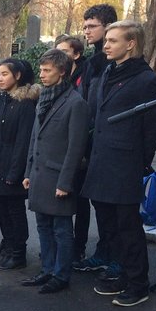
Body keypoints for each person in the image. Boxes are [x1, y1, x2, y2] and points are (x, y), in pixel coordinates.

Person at [80, 20, 156, 307]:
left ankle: (138, 283)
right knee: (109, 225)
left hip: (125, 163)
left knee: (128, 226)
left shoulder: (147, 80)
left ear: (131, 44)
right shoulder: (106, 73)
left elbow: (151, 129)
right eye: (107, 40)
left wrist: (139, 164)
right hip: (101, 160)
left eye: (113, 40)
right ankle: (124, 274)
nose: (106, 45)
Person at [21, 49, 89, 293]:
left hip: (58, 177)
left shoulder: (75, 103)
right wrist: (28, 171)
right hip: (40, 176)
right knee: (43, 226)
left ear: (62, 71)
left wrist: (65, 182)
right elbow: (34, 138)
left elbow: (76, 147)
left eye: (47, 70)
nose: (42, 74)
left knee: (61, 229)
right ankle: (47, 269)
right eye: (41, 69)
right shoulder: (43, 98)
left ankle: (61, 275)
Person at [73, 3, 121, 273]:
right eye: (85, 25)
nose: (86, 30)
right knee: (98, 202)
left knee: (112, 205)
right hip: (91, 140)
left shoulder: (114, 64)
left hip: (110, 145)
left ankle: (115, 255)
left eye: (92, 26)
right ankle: (103, 250)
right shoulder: (92, 63)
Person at [0, 58, 38, 270]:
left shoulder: (24, 104)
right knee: (1, 208)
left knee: (14, 209)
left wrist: (15, 172)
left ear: (17, 76)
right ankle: (9, 247)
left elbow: (23, 142)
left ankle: (18, 252)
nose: (0, 78)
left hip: (12, 165)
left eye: (5, 74)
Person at [55, 34, 92, 262]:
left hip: (80, 148)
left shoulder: (83, 77)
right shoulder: (59, 78)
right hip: (59, 149)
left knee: (80, 200)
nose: (60, 56)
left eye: (65, 51)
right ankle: (63, 245)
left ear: (76, 55)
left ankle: (78, 245)